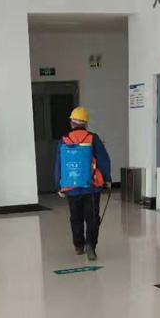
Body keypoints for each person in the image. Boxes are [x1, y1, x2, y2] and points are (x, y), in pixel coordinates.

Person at [55, 107, 111, 261]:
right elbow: (103, 160)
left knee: (76, 218)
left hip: (71, 187)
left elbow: (59, 164)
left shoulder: (64, 139)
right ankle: (90, 246)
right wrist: (107, 179)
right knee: (92, 218)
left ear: (72, 122)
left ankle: (78, 246)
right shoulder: (93, 138)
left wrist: (58, 185)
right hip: (91, 187)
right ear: (86, 123)